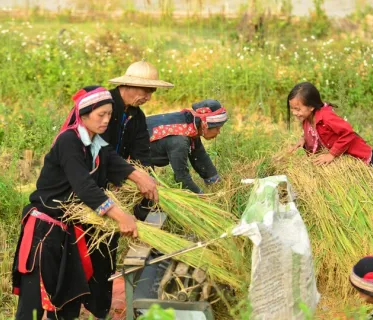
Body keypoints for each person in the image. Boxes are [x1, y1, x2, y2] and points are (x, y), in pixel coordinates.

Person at [12, 87, 158, 320]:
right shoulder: (69, 141)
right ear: (84, 114)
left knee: (68, 302)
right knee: (33, 305)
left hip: (70, 231)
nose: (106, 120)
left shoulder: (95, 142)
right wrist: (121, 216)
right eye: (101, 114)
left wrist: (139, 176)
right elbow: (85, 187)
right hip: (46, 233)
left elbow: (113, 162)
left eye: (110, 114)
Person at [83, 60, 173, 220]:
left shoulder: (137, 116)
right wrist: (132, 175)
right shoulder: (103, 106)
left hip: (112, 173)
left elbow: (142, 153)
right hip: (86, 176)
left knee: (110, 233)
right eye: (146, 91)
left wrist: (148, 177)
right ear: (128, 84)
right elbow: (100, 149)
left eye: (152, 91)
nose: (148, 98)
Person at [287, 82, 373, 175]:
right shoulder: (307, 118)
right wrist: (304, 138)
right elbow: (315, 131)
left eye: (297, 109)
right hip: (345, 156)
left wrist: (331, 154)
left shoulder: (327, 117)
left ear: (311, 107)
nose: (294, 113)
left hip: (361, 156)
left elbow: (348, 133)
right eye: (292, 109)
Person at [146, 99, 228, 194]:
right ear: (205, 125)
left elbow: (200, 156)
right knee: (150, 191)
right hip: (135, 153)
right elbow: (181, 178)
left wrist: (215, 182)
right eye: (217, 128)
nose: (219, 132)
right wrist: (201, 196)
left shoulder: (191, 127)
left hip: (146, 147)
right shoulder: (179, 140)